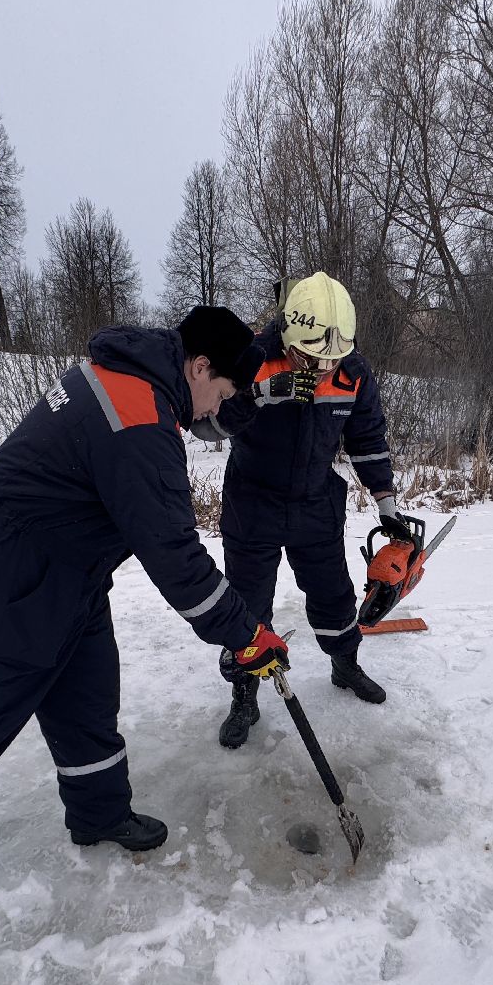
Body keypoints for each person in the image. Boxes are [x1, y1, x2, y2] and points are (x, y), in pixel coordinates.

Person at [0, 306, 289, 921]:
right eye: (220, 391)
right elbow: (174, 555)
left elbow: (172, 476)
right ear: (199, 364)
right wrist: (245, 635)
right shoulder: (138, 416)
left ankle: (99, 813)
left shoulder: (133, 375)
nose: (216, 408)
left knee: (86, 697)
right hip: (5, 575)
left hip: (66, 572)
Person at [192, 273, 408, 749]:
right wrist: (257, 397)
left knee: (334, 596)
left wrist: (387, 504)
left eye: (333, 359)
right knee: (248, 605)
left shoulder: (354, 372)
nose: (324, 367)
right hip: (254, 501)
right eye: (312, 358)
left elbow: (367, 439)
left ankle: (345, 664)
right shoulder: (251, 358)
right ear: (289, 334)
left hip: (316, 500)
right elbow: (207, 426)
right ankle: (244, 693)